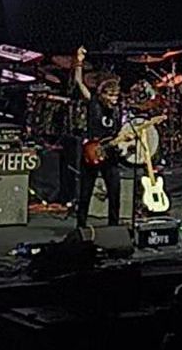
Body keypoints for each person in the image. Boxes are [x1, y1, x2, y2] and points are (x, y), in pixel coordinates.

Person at [72, 45, 123, 227]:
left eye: (116, 96)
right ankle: (81, 225)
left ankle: (114, 226)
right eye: (111, 96)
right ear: (102, 95)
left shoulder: (117, 110)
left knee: (115, 191)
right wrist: (79, 62)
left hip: (110, 154)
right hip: (91, 151)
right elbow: (79, 82)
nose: (114, 99)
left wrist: (123, 140)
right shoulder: (93, 102)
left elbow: (118, 132)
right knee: (85, 192)